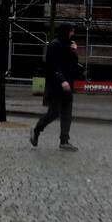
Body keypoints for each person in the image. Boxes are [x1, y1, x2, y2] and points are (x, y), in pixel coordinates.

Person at [31, 23, 80, 151]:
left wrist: (74, 52)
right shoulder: (55, 45)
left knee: (67, 114)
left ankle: (64, 141)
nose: (73, 33)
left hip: (68, 85)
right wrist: (62, 80)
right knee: (53, 113)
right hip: (56, 86)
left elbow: (74, 64)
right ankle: (36, 129)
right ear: (65, 31)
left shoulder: (69, 45)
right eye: (71, 31)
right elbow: (53, 66)